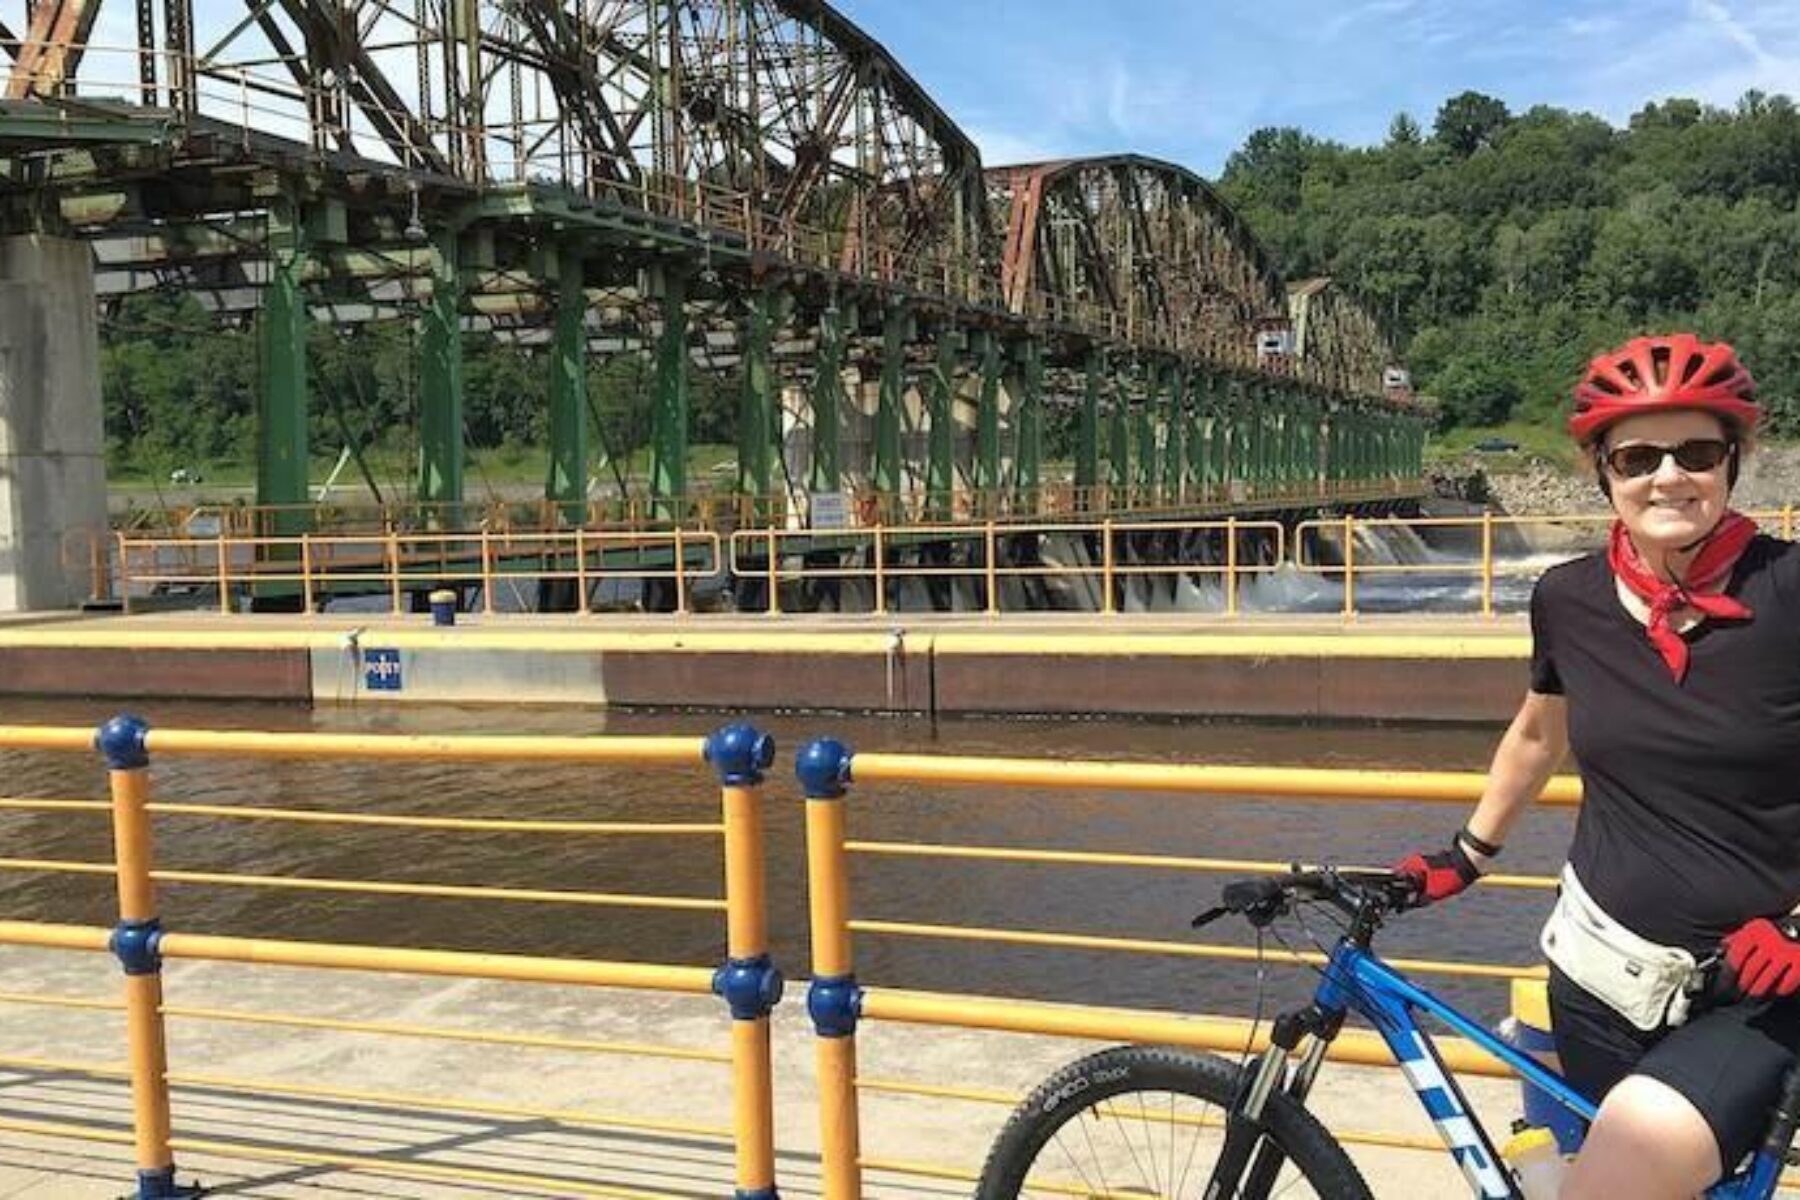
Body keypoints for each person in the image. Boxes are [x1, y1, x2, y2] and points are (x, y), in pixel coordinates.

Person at [1393, 333, 1800, 1199]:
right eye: (1637, 456)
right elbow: (1539, 736)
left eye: (1696, 452)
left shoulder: (1791, 593)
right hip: (1596, 977)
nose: (1667, 477)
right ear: (1602, 471)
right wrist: (1465, 857)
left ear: (1735, 462)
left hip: (1757, 988)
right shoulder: (1568, 600)